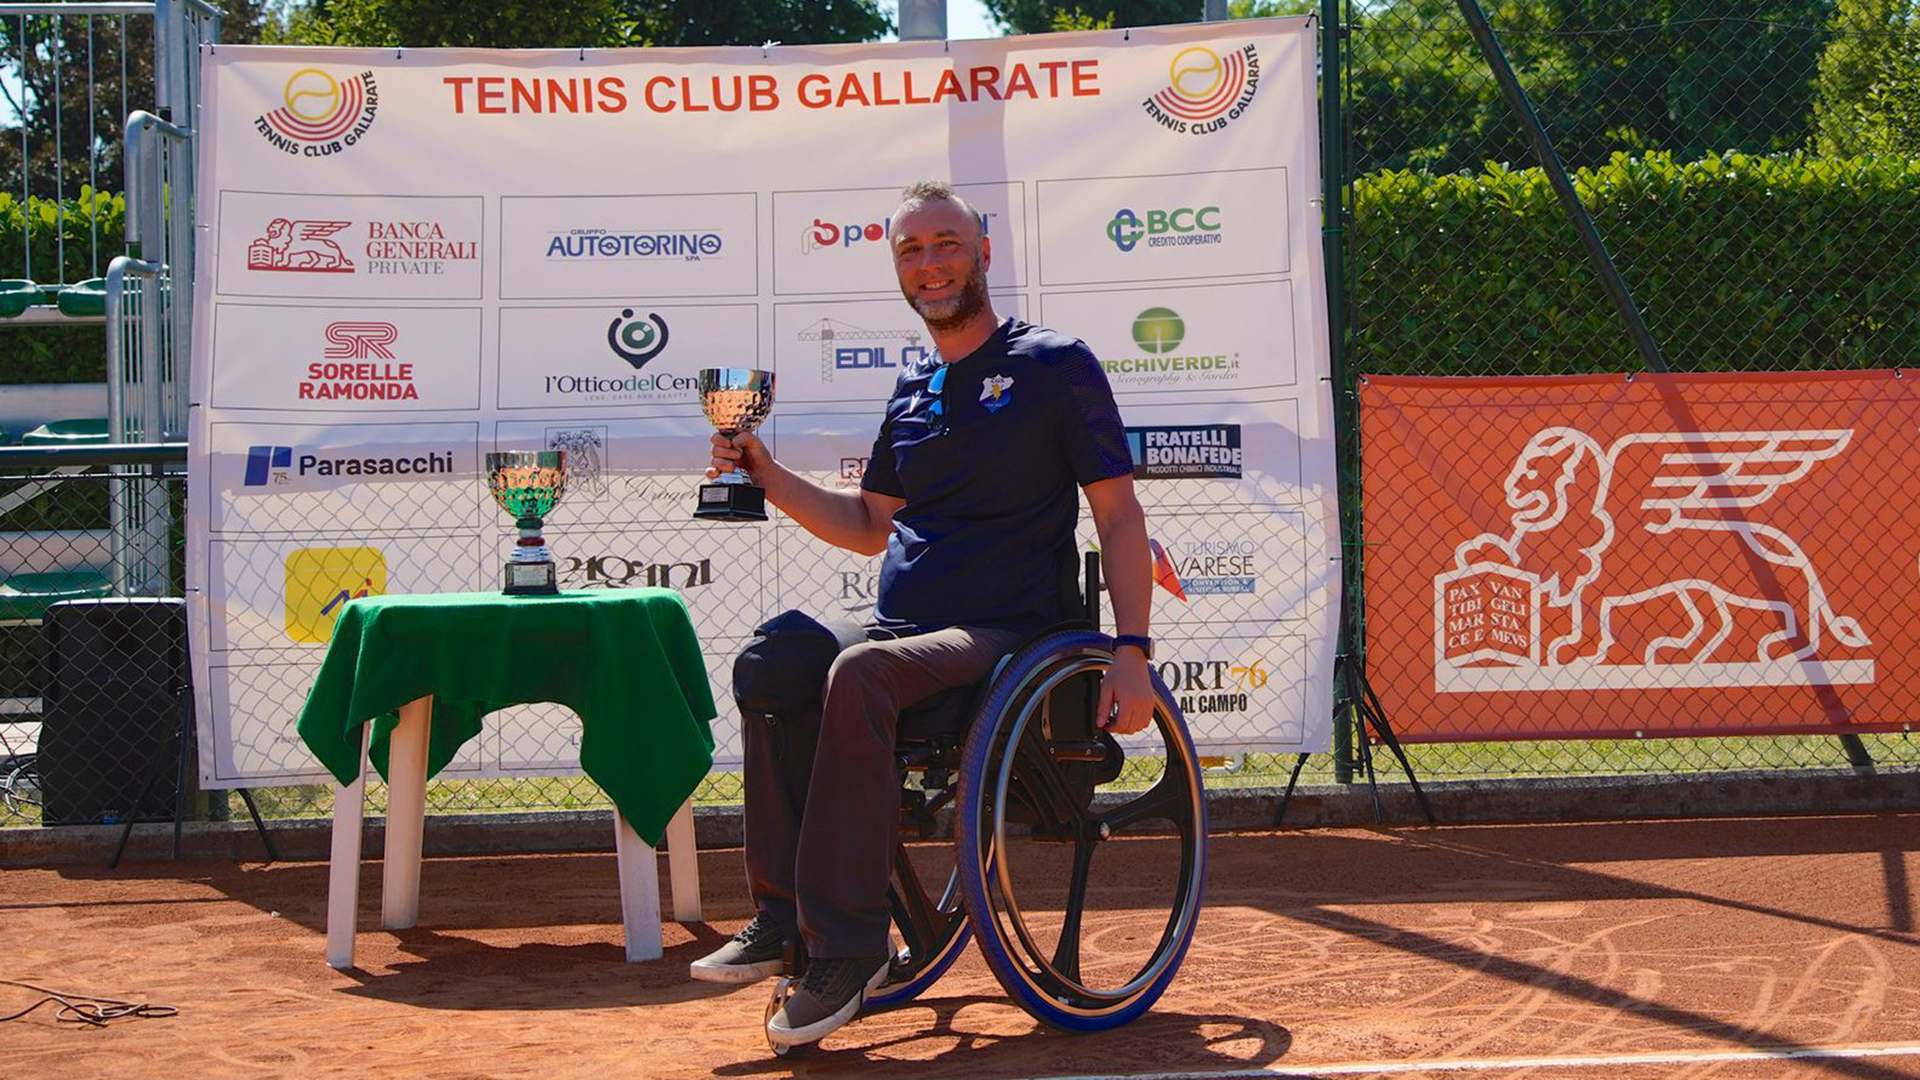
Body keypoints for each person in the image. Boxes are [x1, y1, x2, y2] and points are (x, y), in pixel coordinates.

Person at [690, 180, 1157, 1049]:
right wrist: (765, 473)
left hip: (1011, 633)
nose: (930, 262)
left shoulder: (1055, 365)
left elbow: (1119, 516)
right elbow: (871, 526)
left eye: (946, 243)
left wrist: (1131, 649)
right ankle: (786, 918)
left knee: (860, 671)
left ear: (983, 252)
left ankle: (851, 947)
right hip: (908, 628)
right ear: (899, 271)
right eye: (911, 250)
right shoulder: (912, 382)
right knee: (773, 660)